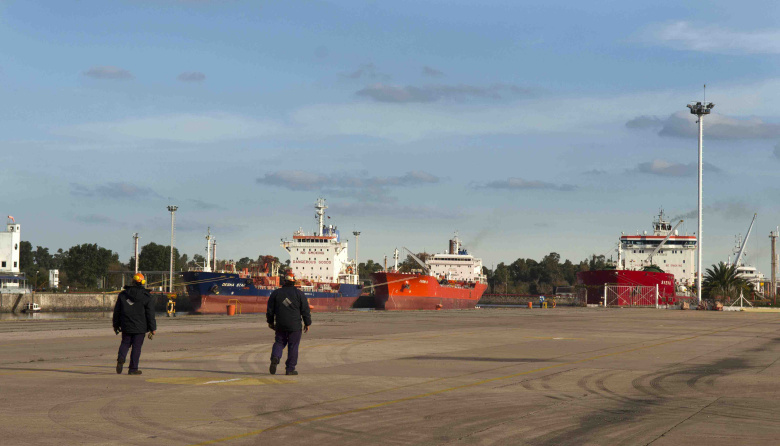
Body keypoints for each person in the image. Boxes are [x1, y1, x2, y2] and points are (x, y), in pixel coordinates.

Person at [266, 271, 311, 376]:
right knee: (293, 346)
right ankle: (290, 369)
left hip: (280, 324)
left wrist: (270, 322)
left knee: (279, 342)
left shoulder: (276, 293)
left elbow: (270, 310)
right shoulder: (299, 294)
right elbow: (305, 310)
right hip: (295, 326)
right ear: (294, 281)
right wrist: (307, 323)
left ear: (284, 281)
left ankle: (275, 357)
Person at [113, 273, 157, 375]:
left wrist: (116, 325)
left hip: (126, 325)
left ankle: (121, 357)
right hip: (140, 327)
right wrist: (152, 328)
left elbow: (117, 311)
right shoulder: (147, 296)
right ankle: (133, 369)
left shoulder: (123, 295)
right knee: (136, 348)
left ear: (132, 281)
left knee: (125, 343)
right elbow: (150, 314)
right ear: (143, 283)